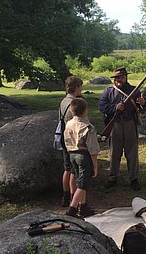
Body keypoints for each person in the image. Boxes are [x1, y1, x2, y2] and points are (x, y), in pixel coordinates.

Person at [99, 67, 146, 191]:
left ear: (126, 77)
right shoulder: (108, 91)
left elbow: (143, 106)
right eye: (117, 77)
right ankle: (112, 177)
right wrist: (115, 107)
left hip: (130, 123)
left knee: (132, 153)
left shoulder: (134, 91)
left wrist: (143, 103)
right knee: (114, 153)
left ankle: (134, 179)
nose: (119, 79)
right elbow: (102, 107)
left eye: (122, 77)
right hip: (114, 124)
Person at [64, 98, 100, 218]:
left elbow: (66, 141)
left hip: (72, 154)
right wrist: (95, 165)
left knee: (78, 178)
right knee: (83, 184)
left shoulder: (68, 124)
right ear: (85, 111)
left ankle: (83, 206)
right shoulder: (88, 127)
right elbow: (93, 148)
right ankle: (72, 209)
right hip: (83, 155)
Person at [59, 76, 83, 207]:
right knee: (74, 170)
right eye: (80, 86)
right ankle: (74, 199)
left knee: (67, 168)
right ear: (76, 88)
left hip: (64, 137)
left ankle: (65, 196)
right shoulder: (75, 102)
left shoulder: (63, 101)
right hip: (73, 139)